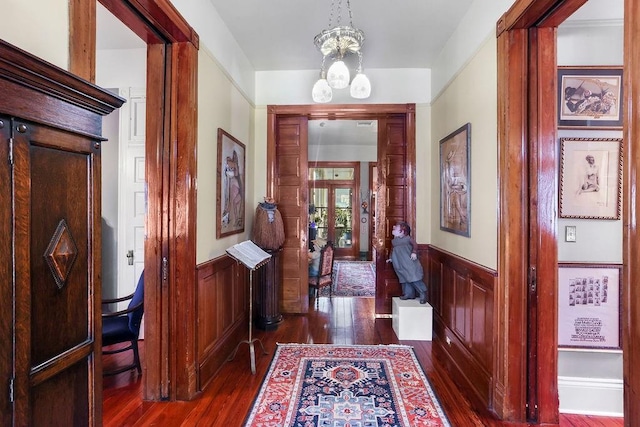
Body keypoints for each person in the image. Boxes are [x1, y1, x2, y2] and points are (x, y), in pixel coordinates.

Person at [386, 221, 428, 304]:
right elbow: (392, 250)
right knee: (403, 278)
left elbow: (415, 245)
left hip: (409, 262)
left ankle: (422, 293)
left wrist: (414, 252)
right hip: (399, 262)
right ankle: (408, 293)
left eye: (396, 229)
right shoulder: (394, 241)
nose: (393, 230)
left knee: (414, 277)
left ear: (402, 231)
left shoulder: (408, 239)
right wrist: (391, 258)